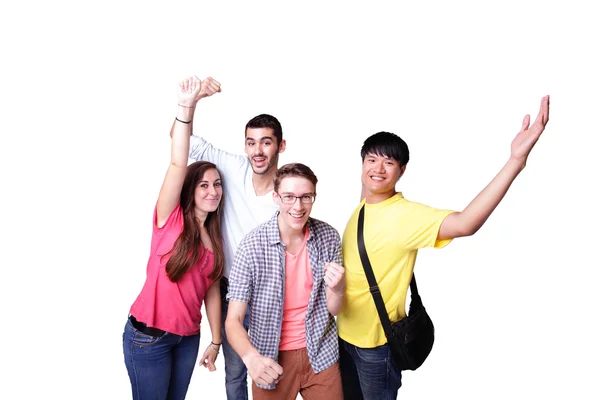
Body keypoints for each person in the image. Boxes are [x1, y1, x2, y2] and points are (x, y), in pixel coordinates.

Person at [337, 96, 551, 399]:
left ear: (402, 171)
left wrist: (515, 161)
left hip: (376, 347)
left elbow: (466, 223)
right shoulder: (364, 204)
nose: (378, 169)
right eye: (371, 160)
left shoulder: (407, 215)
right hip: (342, 336)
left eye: (389, 162)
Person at [170, 75, 286, 400]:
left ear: (281, 145)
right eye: (251, 142)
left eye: (266, 142)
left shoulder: (288, 191)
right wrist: (190, 103)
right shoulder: (233, 168)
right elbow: (179, 139)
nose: (258, 151)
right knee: (235, 373)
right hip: (229, 291)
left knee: (271, 374)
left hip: (270, 295)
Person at [122, 77, 225, 400]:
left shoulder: (215, 237)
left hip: (187, 339)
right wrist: (187, 106)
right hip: (148, 338)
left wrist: (216, 340)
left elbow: (210, 292)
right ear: (190, 190)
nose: (213, 191)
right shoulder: (171, 220)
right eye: (204, 185)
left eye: (217, 184)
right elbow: (179, 161)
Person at [225, 163, 346, 400]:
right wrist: (252, 358)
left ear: (314, 197)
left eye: (306, 197)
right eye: (289, 197)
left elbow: (335, 308)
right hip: (269, 359)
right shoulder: (251, 247)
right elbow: (233, 320)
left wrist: (339, 288)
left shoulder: (329, 236)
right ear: (276, 197)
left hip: (321, 354)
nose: (298, 206)